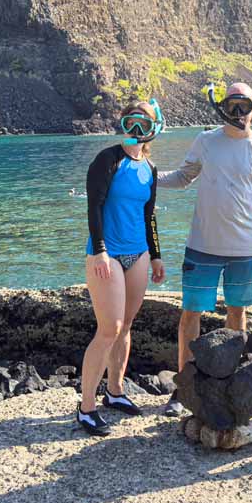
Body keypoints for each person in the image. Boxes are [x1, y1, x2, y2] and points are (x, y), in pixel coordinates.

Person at [157, 81, 252, 416]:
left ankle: (229, 381)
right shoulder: (207, 140)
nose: (238, 113)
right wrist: (147, 175)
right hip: (202, 246)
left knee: (237, 313)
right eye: (232, 105)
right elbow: (184, 177)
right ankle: (183, 389)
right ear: (223, 106)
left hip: (244, 248)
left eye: (245, 105)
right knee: (190, 314)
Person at [77, 100, 166, 435]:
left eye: (145, 124)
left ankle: (115, 391)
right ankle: (86, 407)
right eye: (132, 122)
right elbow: (94, 207)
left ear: (154, 129)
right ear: (124, 123)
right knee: (109, 328)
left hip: (138, 253)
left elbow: (149, 215)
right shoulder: (107, 160)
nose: (137, 130)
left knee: (126, 324)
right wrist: (99, 250)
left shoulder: (150, 169)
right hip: (108, 253)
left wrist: (156, 255)